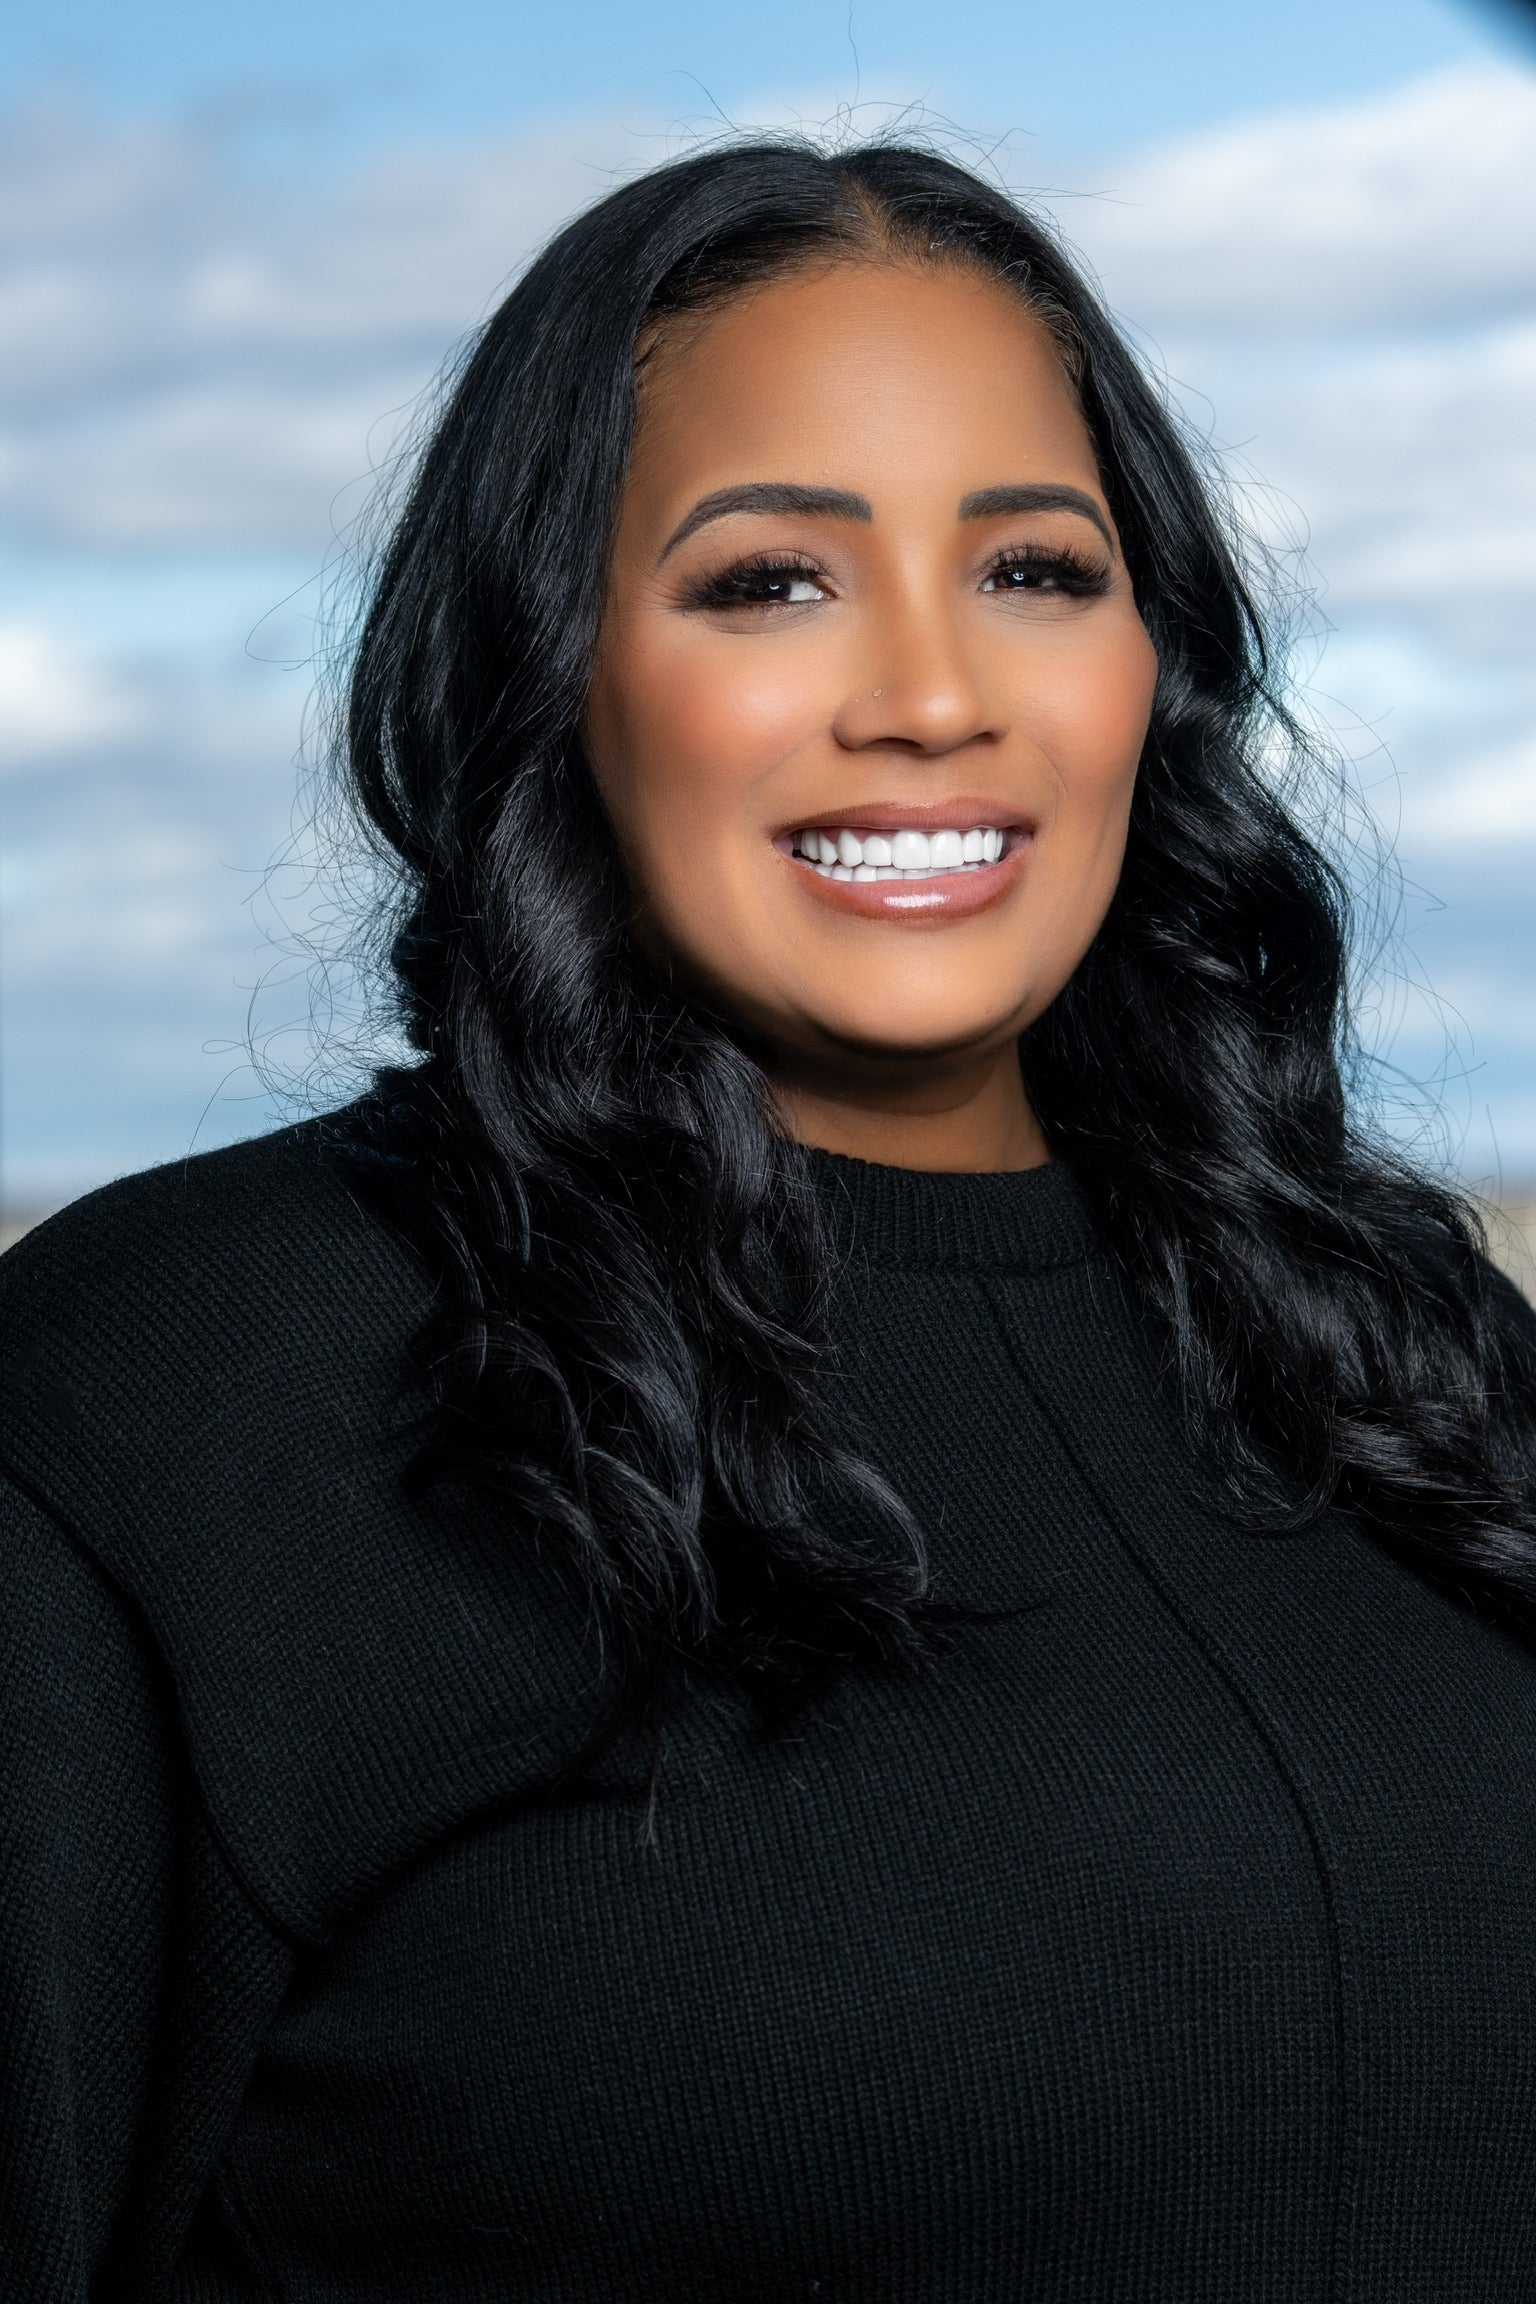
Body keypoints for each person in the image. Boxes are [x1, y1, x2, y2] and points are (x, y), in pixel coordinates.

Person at [4, 139, 1536, 2302]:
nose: (931, 691)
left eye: (1036, 570)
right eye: (769, 581)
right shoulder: (174, 1398)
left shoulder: (1413, 1365)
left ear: (1151, 663)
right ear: (553, 667)